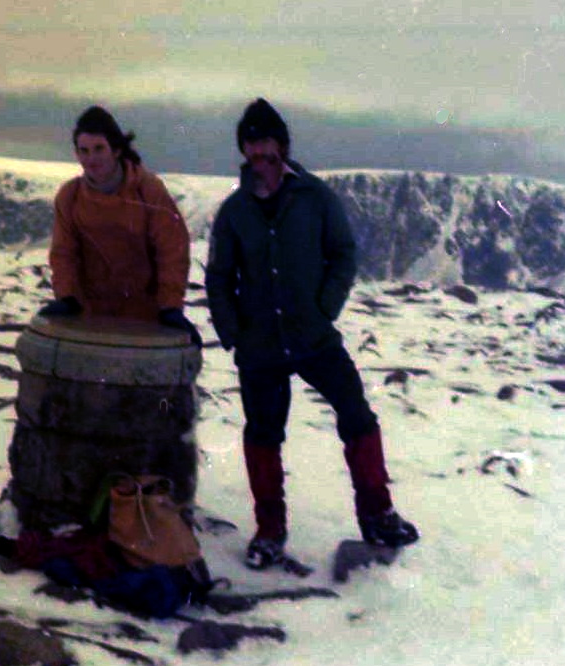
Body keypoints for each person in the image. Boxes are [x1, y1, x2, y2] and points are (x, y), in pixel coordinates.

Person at [205, 98, 419, 569]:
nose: (260, 151)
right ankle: (269, 531)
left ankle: (378, 514)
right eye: (251, 143)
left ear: (282, 145)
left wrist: (324, 307)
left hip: (314, 337)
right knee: (263, 435)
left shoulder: (317, 198)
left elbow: (343, 253)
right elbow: (219, 276)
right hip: (260, 346)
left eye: (267, 142)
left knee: (356, 415)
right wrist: (233, 331)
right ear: (243, 150)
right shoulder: (235, 211)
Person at [40, 106, 201, 345]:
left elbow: (172, 250)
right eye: (83, 150)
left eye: (98, 149)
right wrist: (67, 297)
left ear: (116, 150)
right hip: (90, 320)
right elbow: (64, 254)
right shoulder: (70, 197)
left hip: (145, 321)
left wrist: (170, 306)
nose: (91, 158)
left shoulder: (148, 191)